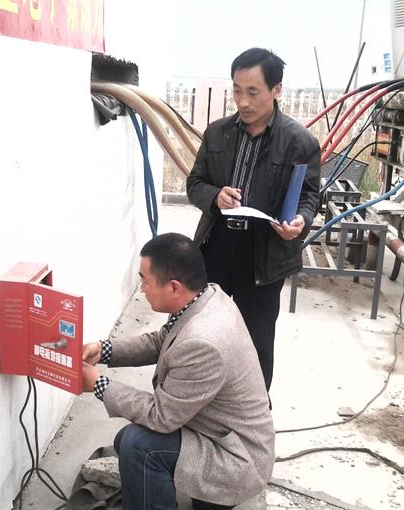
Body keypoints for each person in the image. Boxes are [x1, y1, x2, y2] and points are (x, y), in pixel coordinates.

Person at [82, 233, 274, 510]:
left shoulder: (202, 341)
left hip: (235, 461)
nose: (142, 289)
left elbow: (161, 417)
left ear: (173, 287)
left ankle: (209, 498)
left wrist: (99, 385)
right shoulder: (205, 297)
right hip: (220, 435)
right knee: (126, 440)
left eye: (145, 281)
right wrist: (105, 350)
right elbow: (162, 341)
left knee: (138, 446)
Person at [186, 48, 321, 392]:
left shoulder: (299, 141)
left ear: (277, 90)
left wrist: (301, 221)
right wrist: (214, 196)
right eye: (237, 90)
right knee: (203, 331)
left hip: (264, 253)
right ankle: (202, 399)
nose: (243, 102)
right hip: (217, 246)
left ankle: (255, 411)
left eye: (253, 92)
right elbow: (195, 184)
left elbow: (309, 195)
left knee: (256, 340)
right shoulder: (217, 133)